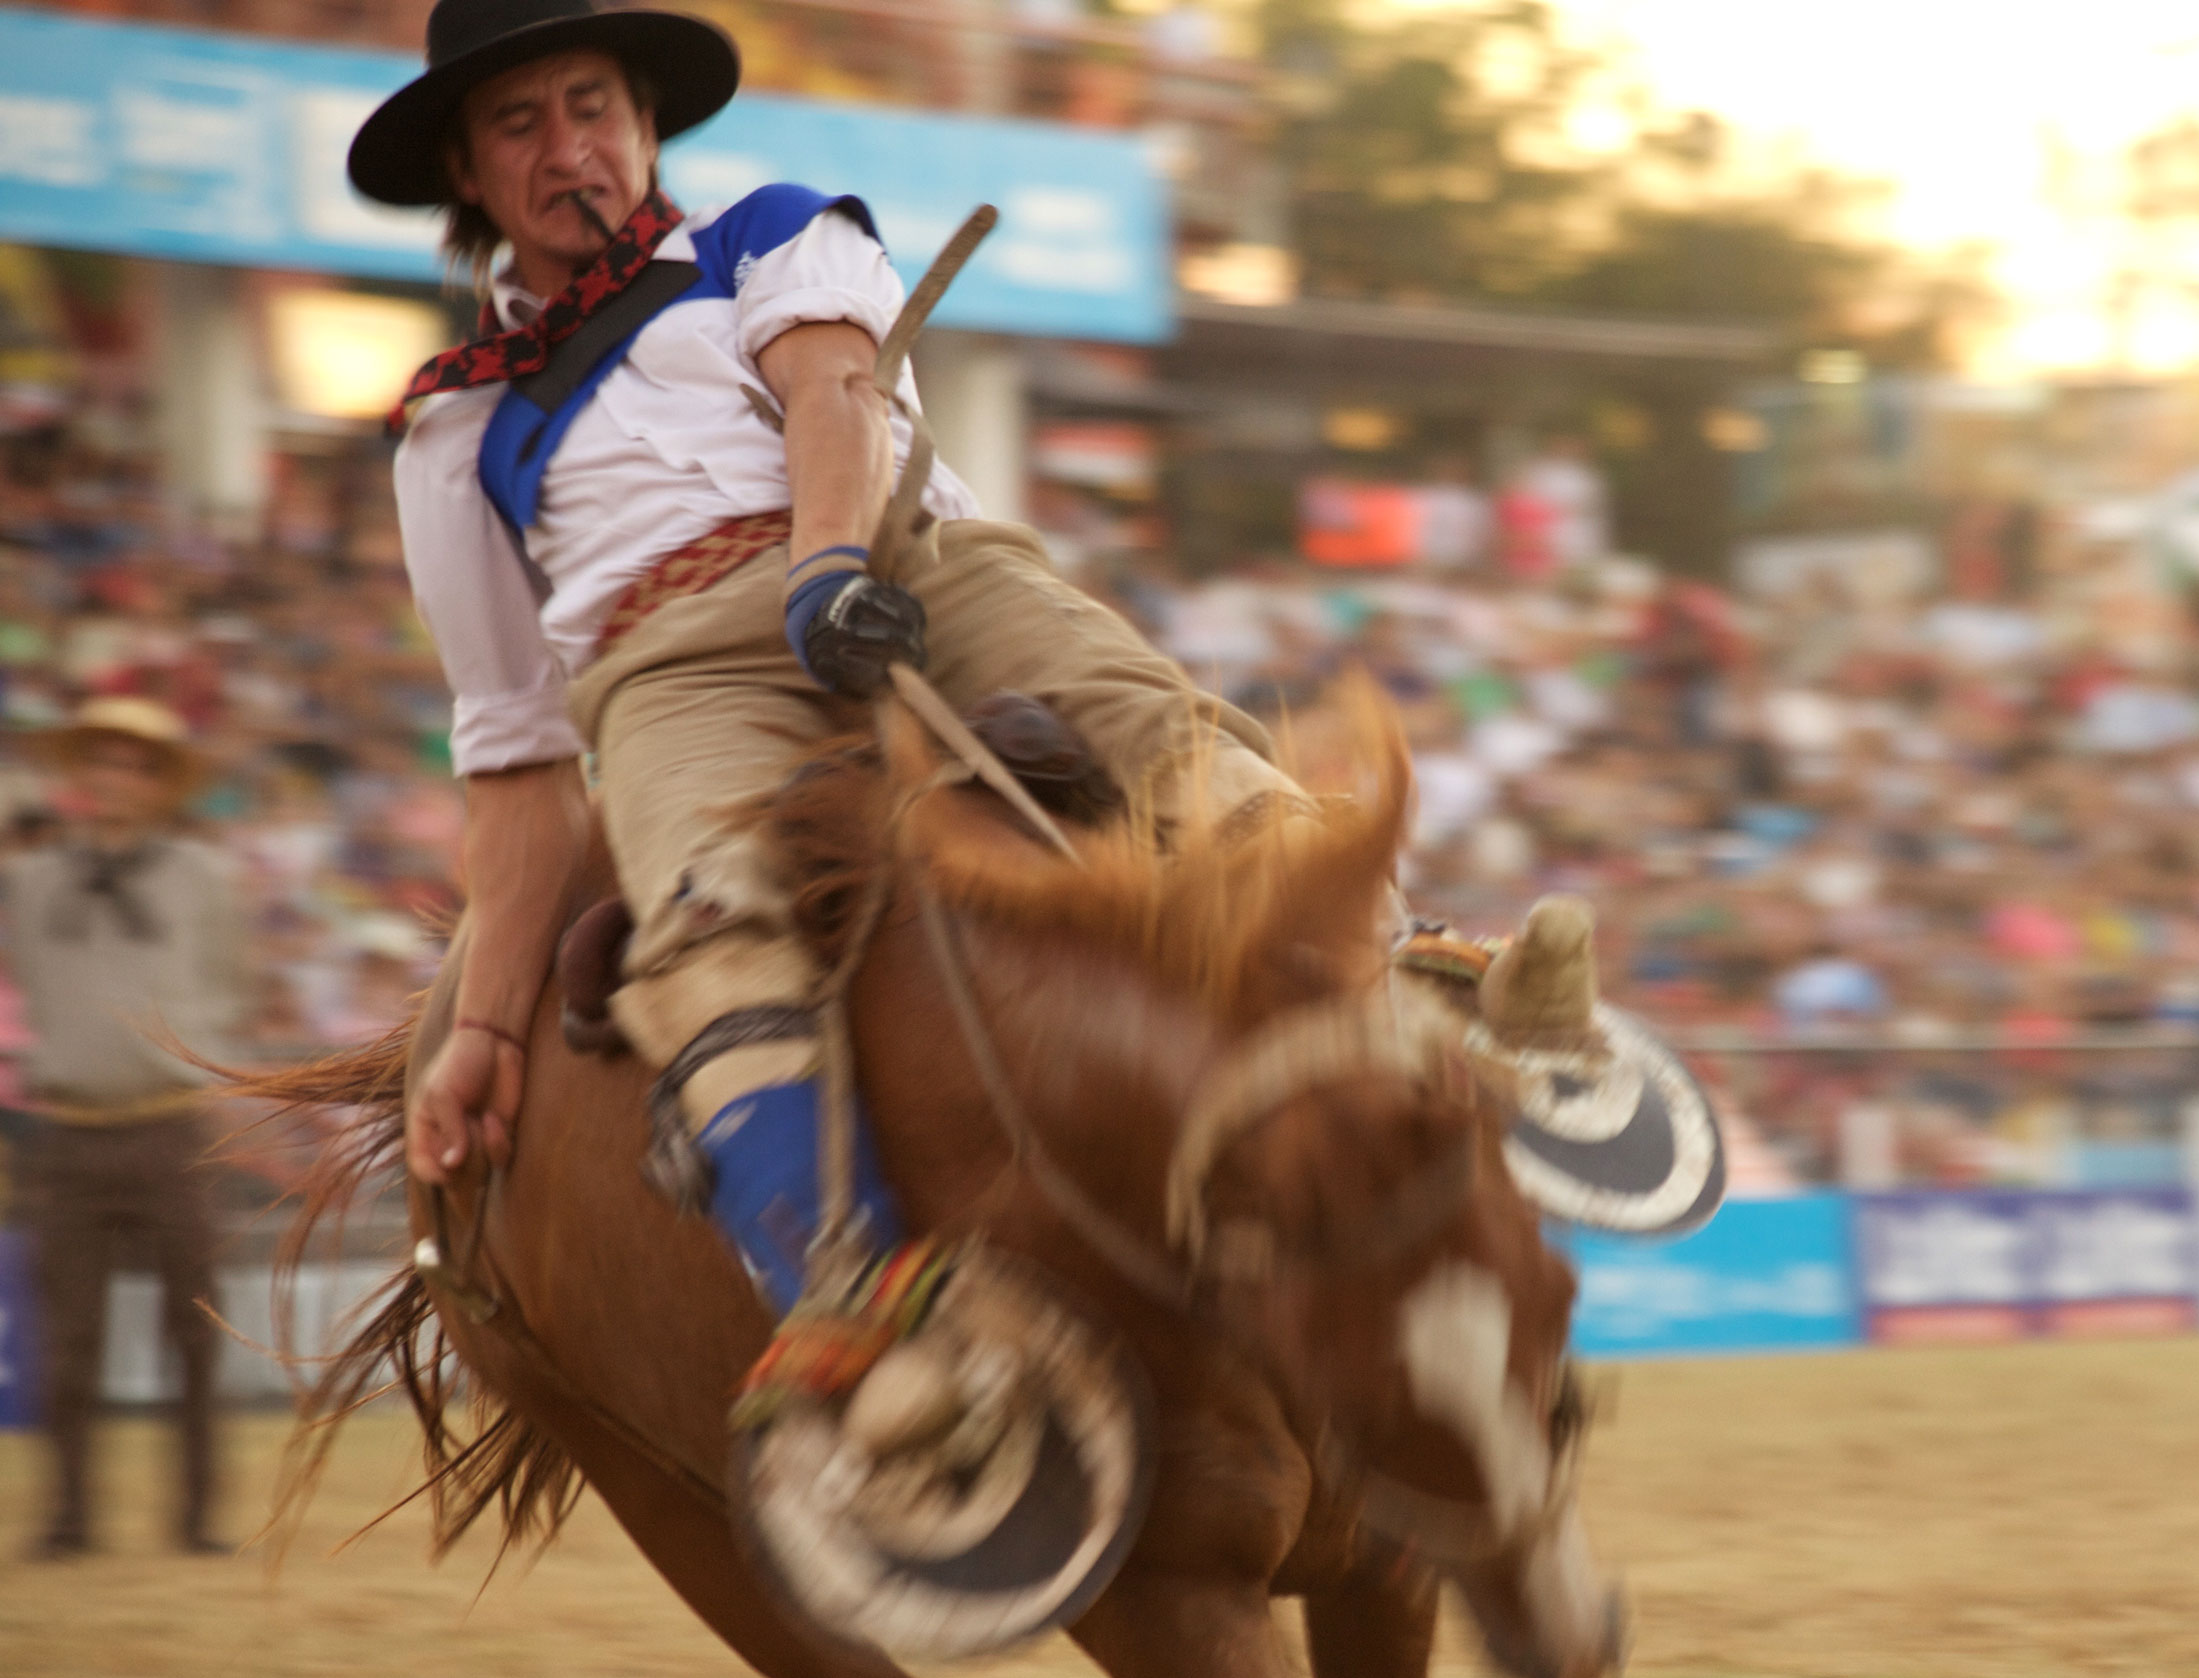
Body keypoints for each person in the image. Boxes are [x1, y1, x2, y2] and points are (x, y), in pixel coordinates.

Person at [355, 0, 1294, 1408]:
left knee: (1150, 727)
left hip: (896, 554)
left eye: (592, 104)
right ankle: (860, 1314)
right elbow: (516, 758)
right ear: (470, 177)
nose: (569, 148)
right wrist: (484, 1032)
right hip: (669, 669)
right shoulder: (450, 430)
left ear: (645, 122)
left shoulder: (773, 233)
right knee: (702, 940)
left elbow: (833, 394)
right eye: (519, 122)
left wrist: (833, 565)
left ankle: (1416, 988)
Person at [5, 698, 248, 1557]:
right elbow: (27, 977)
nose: (115, 776)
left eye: (137, 764)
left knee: (195, 1332)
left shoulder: (204, 878)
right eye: (102, 760)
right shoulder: (29, 880)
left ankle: (199, 1519)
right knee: (67, 1339)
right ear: (79, 776)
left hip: (170, 1126)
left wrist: (195, 1063)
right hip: (68, 1130)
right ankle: (69, 1519)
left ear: (160, 786)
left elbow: (224, 984)